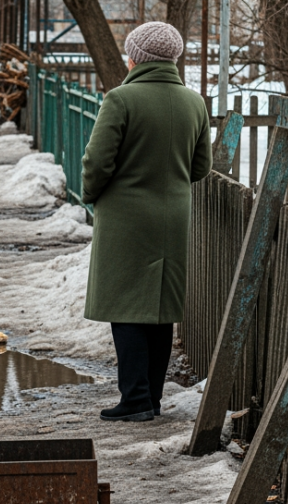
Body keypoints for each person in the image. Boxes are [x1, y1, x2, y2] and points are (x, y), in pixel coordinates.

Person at [81, 22, 212, 422]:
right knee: (159, 307)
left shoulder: (121, 99)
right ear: (174, 58)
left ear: (135, 56)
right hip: (173, 215)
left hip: (126, 216)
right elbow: (201, 166)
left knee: (126, 305)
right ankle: (151, 398)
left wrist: (92, 193)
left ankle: (135, 398)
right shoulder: (195, 103)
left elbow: (96, 162)